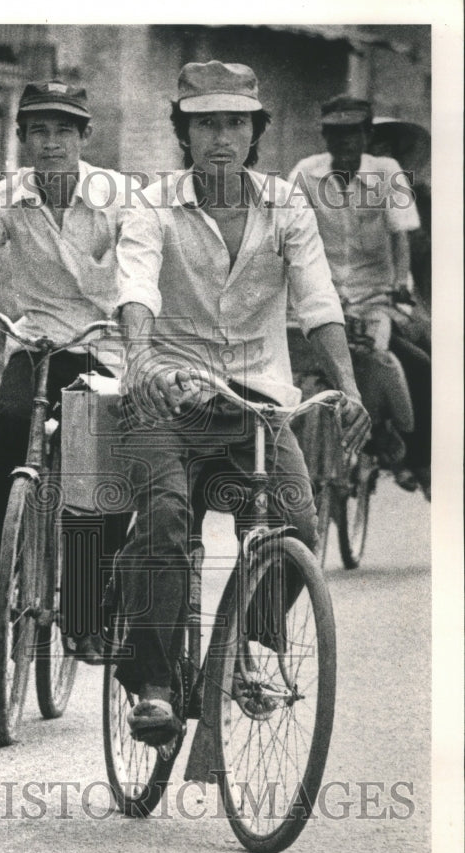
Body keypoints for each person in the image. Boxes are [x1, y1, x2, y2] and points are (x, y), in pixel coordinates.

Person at [114, 62, 370, 743]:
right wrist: (140, 356)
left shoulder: (286, 205)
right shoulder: (152, 202)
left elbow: (319, 303)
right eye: (205, 123)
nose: (220, 137)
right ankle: (157, 683)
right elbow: (136, 284)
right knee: (167, 519)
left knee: (298, 532)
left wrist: (344, 384)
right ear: (185, 132)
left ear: (255, 132)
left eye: (234, 122)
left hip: (257, 400)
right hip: (166, 395)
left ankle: (245, 650)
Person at [0, 79, 131, 660]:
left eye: (64, 131)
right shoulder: (7, 195)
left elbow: (148, 264)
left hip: (104, 344)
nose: (51, 143)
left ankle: (85, 611)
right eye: (39, 131)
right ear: (21, 139)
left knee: (96, 472)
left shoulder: (118, 195)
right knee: (7, 427)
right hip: (36, 342)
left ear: (84, 137)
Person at [288, 96, 431, 500]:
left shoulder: (388, 173)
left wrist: (400, 284)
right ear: (324, 136)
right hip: (319, 294)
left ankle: (409, 450)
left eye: (352, 131)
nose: (343, 140)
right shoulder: (305, 173)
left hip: (375, 295)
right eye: (334, 131)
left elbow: (400, 235)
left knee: (404, 363)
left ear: (366, 134)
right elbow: (285, 229)